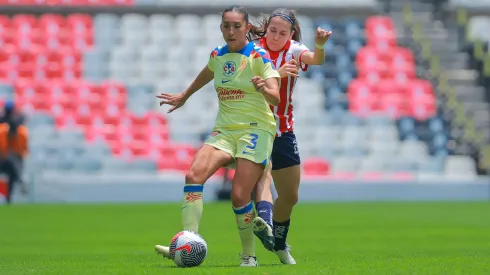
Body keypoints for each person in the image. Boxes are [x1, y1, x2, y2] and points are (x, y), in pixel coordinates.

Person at [154, 5, 281, 267]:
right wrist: (184, 96)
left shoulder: (258, 56)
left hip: (255, 129)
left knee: (238, 195)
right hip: (224, 130)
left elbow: (276, 97)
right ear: (221, 28)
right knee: (193, 176)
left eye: (237, 26)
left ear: (247, 28)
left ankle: (249, 255)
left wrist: (263, 89)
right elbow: (208, 72)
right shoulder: (218, 55)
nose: (231, 31)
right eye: (226, 26)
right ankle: (190, 242)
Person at [247, 8, 332, 264]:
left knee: (291, 195)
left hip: (283, 129)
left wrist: (319, 45)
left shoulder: (294, 50)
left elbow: (316, 59)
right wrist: (278, 73)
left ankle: (279, 243)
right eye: (272, 30)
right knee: (264, 172)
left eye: (282, 32)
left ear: (291, 34)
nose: (275, 36)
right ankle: (265, 220)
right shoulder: (252, 50)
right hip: (254, 124)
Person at [0, 120, 29, 204]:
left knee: (12, 175)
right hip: (2, 160)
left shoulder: (21, 135)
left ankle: (9, 197)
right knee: (12, 170)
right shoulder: (2, 133)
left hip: (12, 161)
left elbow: (23, 151)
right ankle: (20, 180)